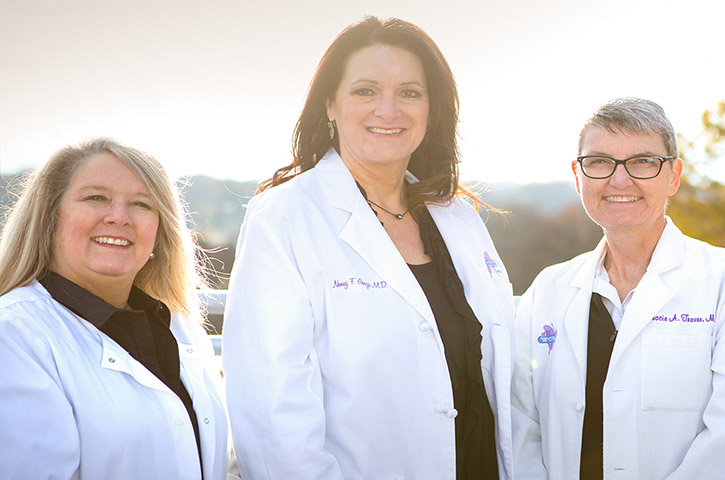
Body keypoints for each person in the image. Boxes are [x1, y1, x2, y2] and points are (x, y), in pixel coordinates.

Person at [222, 16, 514, 479]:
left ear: (431, 109)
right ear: (330, 105)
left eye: (409, 92)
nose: (389, 109)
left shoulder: (458, 217)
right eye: (365, 90)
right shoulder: (284, 218)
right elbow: (271, 411)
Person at [512, 98, 725, 479]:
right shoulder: (547, 290)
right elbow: (521, 426)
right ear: (578, 175)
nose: (619, 180)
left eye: (643, 162)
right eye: (600, 162)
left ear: (673, 175)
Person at [0, 138, 231, 479]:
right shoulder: (14, 334)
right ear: (50, 217)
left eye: (141, 204)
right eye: (96, 198)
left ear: (159, 228)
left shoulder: (179, 326)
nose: (119, 217)